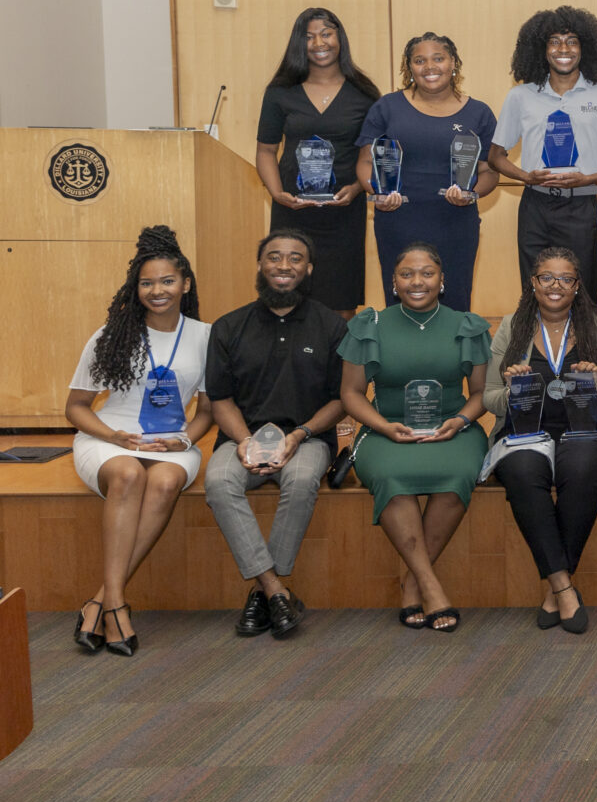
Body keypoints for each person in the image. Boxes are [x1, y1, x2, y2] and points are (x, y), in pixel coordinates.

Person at [63, 226, 212, 656]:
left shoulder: (205, 337)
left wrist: (184, 439)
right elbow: (76, 408)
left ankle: (100, 600)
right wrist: (113, 435)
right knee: (128, 474)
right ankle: (116, 607)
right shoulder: (111, 335)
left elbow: (206, 412)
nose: (157, 290)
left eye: (167, 281)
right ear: (136, 287)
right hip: (110, 439)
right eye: (147, 283)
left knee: (164, 482)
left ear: (185, 283)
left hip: (172, 442)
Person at [338, 242, 491, 633]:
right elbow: (351, 394)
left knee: (457, 474)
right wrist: (385, 426)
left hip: (453, 428)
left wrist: (458, 421)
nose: (417, 281)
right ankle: (430, 585)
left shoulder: (466, 325)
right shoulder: (369, 325)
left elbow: (480, 394)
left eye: (427, 273)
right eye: (407, 274)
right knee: (393, 479)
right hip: (386, 428)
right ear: (393, 282)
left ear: (442, 280)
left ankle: (413, 581)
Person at [202, 230, 348, 640]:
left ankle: (261, 595)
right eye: (274, 257)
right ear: (260, 265)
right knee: (218, 482)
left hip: (307, 438)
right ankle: (275, 590)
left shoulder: (332, 326)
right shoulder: (229, 326)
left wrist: (300, 434)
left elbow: (341, 399)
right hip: (241, 438)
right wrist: (244, 440)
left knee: (302, 481)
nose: (284, 266)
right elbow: (221, 398)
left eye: (295, 258)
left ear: (309, 269)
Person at [482, 247, 597, 635]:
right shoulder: (513, 326)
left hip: (587, 430)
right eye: (547, 277)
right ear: (532, 283)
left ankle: (554, 588)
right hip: (525, 431)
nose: (555, 286)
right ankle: (564, 587)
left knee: (580, 470)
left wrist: (596, 381)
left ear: (578, 286)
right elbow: (489, 399)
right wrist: (512, 389)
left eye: (565, 279)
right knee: (522, 472)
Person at [487, 7, 597, 301]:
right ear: (541, 49)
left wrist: (589, 179)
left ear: (585, 48)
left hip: (580, 206)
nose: (563, 49)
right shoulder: (520, 96)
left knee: (581, 291)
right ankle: (536, 346)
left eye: (571, 41)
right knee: (534, 289)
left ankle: (583, 347)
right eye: (554, 41)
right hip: (534, 205)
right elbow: (496, 156)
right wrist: (526, 177)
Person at [355, 32, 498, 313]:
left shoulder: (479, 113)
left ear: (453, 63)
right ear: (409, 68)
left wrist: (471, 195)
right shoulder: (387, 107)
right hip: (397, 219)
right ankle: (402, 357)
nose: (429, 67)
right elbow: (364, 162)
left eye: (438, 58)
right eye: (419, 60)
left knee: (455, 300)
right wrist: (377, 193)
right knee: (402, 301)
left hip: (455, 222)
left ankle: (456, 358)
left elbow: (489, 171)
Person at [254, 6, 381, 314]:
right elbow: (266, 151)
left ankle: (338, 363)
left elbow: (373, 156)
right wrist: (276, 194)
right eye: (309, 37)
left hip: (343, 213)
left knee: (340, 303)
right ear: (299, 43)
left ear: (340, 38)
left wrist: (356, 189)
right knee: (287, 299)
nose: (319, 43)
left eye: (326, 34)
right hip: (292, 213)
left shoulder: (365, 94)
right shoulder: (280, 92)